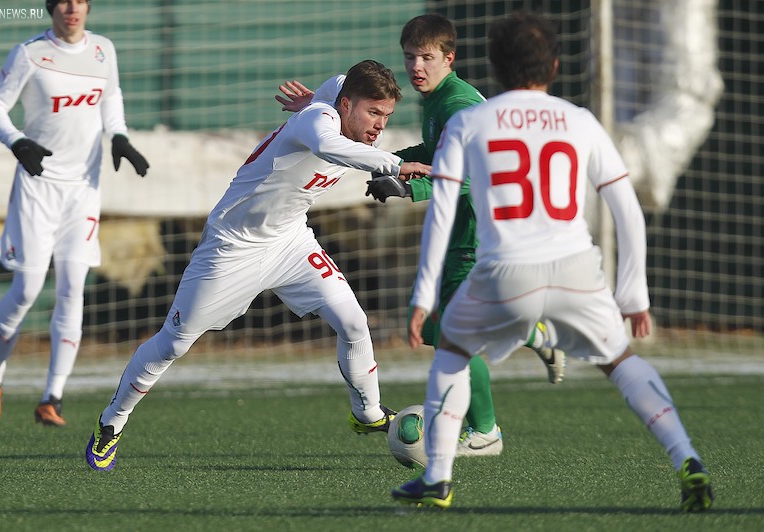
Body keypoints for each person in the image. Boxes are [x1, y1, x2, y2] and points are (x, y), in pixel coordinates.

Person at [391, 11, 713, 512]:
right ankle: (687, 457)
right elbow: (627, 209)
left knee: (451, 350)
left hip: (502, 272)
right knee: (621, 362)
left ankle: (437, 477)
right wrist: (634, 295)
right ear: (556, 66)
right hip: (576, 270)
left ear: (494, 68)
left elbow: (444, 209)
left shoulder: (471, 120)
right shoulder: (580, 120)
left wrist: (423, 294)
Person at [85, 60, 432, 471]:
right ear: (347, 104)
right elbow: (326, 144)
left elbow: (332, 95)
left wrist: (319, 100)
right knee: (174, 342)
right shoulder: (319, 121)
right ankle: (112, 422)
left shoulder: (333, 97)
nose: (379, 126)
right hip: (232, 248)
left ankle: (368, 413)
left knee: (354, 322)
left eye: (387, 116)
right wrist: (393, 162)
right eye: (373, 113)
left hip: (290, 240)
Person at [276, 14, 565, 459]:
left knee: (452, 334)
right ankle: (530, 331)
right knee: (438, 329)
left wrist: (411, 185)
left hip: (483, 234)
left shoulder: (459, 105)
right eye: (410, 56)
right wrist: (385, 164)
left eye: (427, 57)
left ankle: (485, 431)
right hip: (460, 233)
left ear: (449, 58)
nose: (416, 66)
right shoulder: (437, 101)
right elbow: (433, 154)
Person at [0, 0, 149, 427]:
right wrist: (17, 141)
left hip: (83, 190)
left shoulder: (103, 50)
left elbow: (111, 96)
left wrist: (120, 136)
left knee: (74, 288)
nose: (72, 8)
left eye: (80, 1)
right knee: (28, 290)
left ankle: (52, 397)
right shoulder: (30, 53)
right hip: (38, 186)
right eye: (63, 1)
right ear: (51, 7)